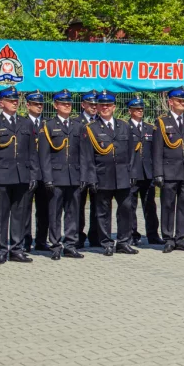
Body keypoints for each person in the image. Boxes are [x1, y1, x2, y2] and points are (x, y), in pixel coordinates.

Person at [0, 86, 38, 264]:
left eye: (16, 100)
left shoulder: (26, 123)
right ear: (2, 103)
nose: (14, 103)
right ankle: (1, 250)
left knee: (19, 215)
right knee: (1, 216)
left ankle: (16, 249)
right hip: (2, 176)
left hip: (21, 176)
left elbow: (32, 153)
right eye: (10, 100)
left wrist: (33, 175)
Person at [81, 90, 136, 256]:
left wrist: (131, 173)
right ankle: (106, 243)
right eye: (102, 105)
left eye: (108, 105)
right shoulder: (91, 128)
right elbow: (88, 157)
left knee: (126, 209)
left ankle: (124, 242)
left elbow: (131, 153)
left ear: (114, 107)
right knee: (103, 212)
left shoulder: (124, 126)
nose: (105, 107)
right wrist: (91, 178)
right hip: (102, 176)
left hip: (122, 176)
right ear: (97, 108)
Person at [153, 87, 184, 254]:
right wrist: (158, 173)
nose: (182, 103)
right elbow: (157, 150)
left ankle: (180, 238)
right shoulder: (162, 122)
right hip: (169, 171)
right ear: (170, 102)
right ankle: (168, 238)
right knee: (168, 205)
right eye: (179, 100)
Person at [37, 90, 85, 259]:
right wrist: (47, 178)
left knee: (73, 213)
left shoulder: (78, 126)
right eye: (63, 103)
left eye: (69, 103)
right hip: (56, 177)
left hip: (74, 177)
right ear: (55, 105)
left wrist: (83, 176)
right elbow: (44, 156)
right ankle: (56, 245)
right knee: (54, 214)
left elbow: (83, 155)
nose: (67, 106)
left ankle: (70, 244)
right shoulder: (48, 126)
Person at [126, 96, 162, 246]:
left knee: (150, 206)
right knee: (130, 206)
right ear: (130, 111)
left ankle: (153, 235)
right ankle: (132, 235)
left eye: (141, 109)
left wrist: (156, 172)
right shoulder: (125, 127)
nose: (140, 111)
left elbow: (155, 152)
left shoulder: (150, 128)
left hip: (147, 173)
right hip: (133, 173)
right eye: (136, 109)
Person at [23, 90, 49, 253]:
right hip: (28, 172)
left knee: (44, 209)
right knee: (25, 209)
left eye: (41, 104)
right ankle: (25, 241)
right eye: (35, 104)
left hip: (44, 172)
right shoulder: (22, 123)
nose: (39, 106)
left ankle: (41, 240)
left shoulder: (47, 124)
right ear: (28, 105)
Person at [76, 90, 100, 248]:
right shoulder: (76, 122)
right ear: (83, 105)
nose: (94, 107)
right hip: (81, 170)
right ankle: (77, 236)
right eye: (90, 104)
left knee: (97, 205)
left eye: (95, 104)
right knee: (78, 205)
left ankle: (95, 236)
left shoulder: (101, 122)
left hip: (98, 169)